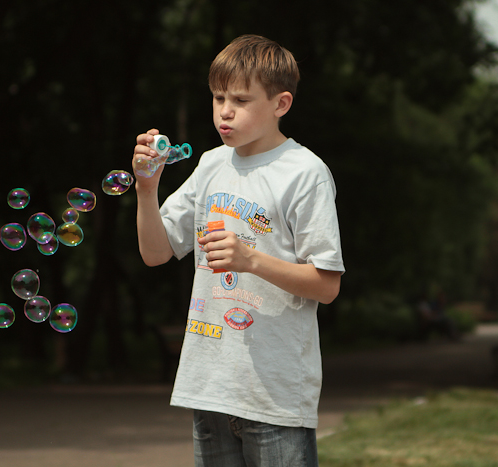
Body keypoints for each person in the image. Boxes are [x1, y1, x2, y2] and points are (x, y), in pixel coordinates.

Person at [132, 34, 345, 467]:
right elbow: (155, 252)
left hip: (276, 394)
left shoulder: (305, 173)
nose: (225, 111)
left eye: (241, 100)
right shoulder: (211, 164)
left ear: (280, 104)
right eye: (217, 97)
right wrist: (147, 189)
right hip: (209, 384)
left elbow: (326, 285)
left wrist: (251, 260)